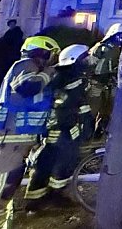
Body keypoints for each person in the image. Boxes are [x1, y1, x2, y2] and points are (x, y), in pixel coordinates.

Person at [0, 35, 59, 229]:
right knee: (4, 186)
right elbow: (28, 87)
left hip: (21, 138)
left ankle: (2, 224)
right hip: (12, 136)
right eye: (51, 55)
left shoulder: (35, 70)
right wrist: (51, 71)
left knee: (10, 185)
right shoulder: (24, 65)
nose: (53, 60)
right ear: (43, 52)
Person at [23, 44, 93, 211]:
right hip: (57, 127)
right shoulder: (61, 77)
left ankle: (55, 193)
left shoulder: (72, 76)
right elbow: (64, 103)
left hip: (68, 127)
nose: (88, 61)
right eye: (84, 58)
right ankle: (36, 200)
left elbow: (79, 104)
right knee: (48, 162)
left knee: (66, 161)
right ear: (74, 60)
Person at [88, 23, 122, 135]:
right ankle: (88, 134)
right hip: (97, 82)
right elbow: (91, 63)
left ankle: (100, 132)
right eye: (120, 35)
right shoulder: (101, 47)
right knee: (93, 108)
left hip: (110, 82)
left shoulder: (121, 49)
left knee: (107, 109)